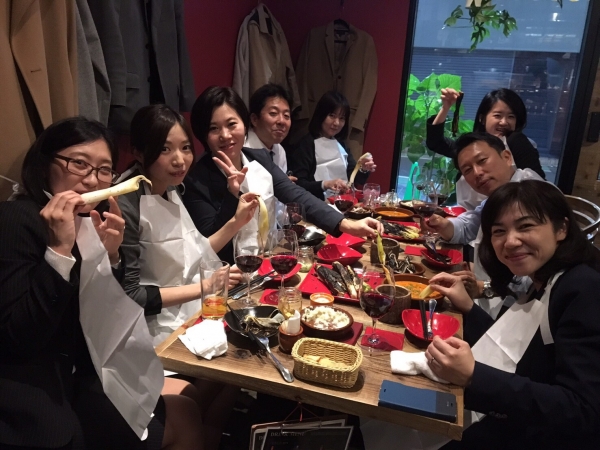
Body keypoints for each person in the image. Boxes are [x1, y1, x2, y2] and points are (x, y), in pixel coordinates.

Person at [0, 117, 203, 450]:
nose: (93, 180)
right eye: (79, 164)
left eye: (105, 169)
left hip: (91, 374)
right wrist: (59, 251)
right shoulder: (16, 219)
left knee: (190, 402)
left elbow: (107, 317)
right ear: (45, 163)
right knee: (185, 416)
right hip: (41, 396)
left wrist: (110, 257)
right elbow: (19, 338)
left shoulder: (88, 222)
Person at [426, 180, 600, 449]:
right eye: (499, 231)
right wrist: (469, 308)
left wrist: (474, 376)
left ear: (561, 229)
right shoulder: (542, 277)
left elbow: (583, 411)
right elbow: (515, 349)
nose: (510, 241)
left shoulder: (584, 289)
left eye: (526, 226)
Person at [117, 105, 251, 450]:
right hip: (145, 332)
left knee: (237, 373)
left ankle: (205, 437)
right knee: (214, 381)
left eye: (185, 147)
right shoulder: (125, 202)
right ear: (138, 151)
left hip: (184, 317)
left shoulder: (171, 189)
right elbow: (131, 296)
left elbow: (194, 251)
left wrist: (236, 222)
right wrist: (205, 287)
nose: (180, 160)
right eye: (165, 149)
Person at [183, 86, 383, 264]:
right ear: (203, 134)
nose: (225, 135)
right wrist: (231, 195)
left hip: (267, 260)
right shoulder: (196, 181)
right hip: (229, 276)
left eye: (231, 124)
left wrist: (346, 224)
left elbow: (296, 194)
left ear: (244, 124)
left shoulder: (259, 158)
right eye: (214, 128)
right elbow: (211, 243)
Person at [427, 88, 545, 211]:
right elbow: (435, 142)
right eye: (497, 115)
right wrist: (446, 107)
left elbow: (538, 185)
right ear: (482, 119)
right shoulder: (471, 148)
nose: (504, 122)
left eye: (511, 116)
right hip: (470, 218)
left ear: (506, 156)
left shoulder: (517, 142)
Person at [287, 90, 376, 200]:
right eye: (332, 116)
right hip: (314, 204)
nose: (336, 123)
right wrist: (325, 184)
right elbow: (299, 183)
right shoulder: (305, 145)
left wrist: (363, 169)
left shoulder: (341, 144)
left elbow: (355, 179)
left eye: (341, 118)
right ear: (321, 115)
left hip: (341, 203)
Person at [246, 83, 296, 181]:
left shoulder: (279, 150)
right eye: (273, 113)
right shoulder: (242, 149)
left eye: (286, 115)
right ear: (254, 119)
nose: (282, 121)